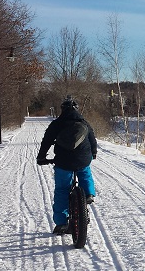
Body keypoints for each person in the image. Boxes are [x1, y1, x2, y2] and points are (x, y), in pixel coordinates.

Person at [36, 96, 98, 235]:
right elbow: (92, 140)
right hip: (83, 158)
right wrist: (93, 153)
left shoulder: (57, 124)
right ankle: (89, 194)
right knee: (85, 172)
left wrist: (41, 157)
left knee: (62, 190)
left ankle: (61, 223)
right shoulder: (84, 123)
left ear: (62, 110)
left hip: (63, 161)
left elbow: (46, 141)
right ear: (77, 109)